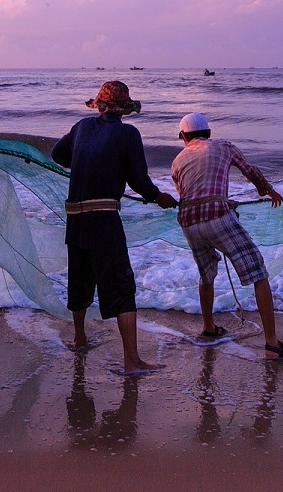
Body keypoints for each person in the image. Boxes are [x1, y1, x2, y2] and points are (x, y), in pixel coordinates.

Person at [51, 80, 178, 375]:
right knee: (121, 287)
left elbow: (58, 155)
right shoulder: (128, 133)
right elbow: (138, 179)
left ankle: (80, 339)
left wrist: (84, 162)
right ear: (124, 109)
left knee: (80, 278)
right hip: (104, 219)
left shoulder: (81, 127)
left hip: (75, 220)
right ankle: (132, 362)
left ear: (99, 105)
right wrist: (158, 196)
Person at [170, 112, 283, 359]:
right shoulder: (223, 146)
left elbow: (188, 195)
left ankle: (208, 327)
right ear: (209, 133)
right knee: (258, 272)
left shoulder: (177, 160)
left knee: (206, 274)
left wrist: (221, 199)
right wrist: (267, 190)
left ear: (183, 136)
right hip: (217, 216)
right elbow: (250, 171)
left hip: (188, 220)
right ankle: (272, 344)